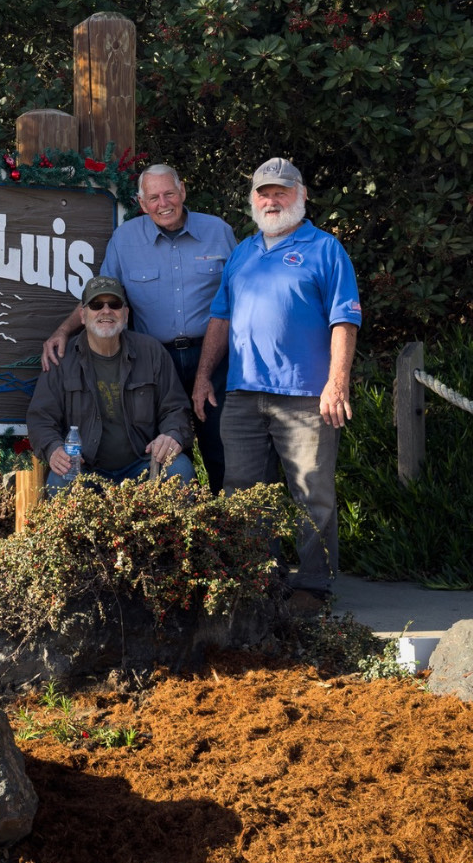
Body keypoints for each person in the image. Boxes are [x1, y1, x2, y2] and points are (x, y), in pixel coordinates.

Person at [191, 157, 361, 614]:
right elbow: (221, 317)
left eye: (281, 192)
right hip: (244, 394)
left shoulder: (325, 249)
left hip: (307, 395)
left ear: (301, 196)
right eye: (264, 193)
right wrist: (204, 375)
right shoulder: (243, 252)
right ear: (253, 200)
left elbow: (344, 319)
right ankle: (257, 578)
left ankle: (313, 587)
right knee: (242, 491)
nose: (272, 200)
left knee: (312, 491)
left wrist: (337, 384)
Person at [41, 163, 235, 488]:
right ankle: (171, 531)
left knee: (222, 450)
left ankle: (227, 530)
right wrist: (64, 330)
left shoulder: (219, 232)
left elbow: (241, 296)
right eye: (154, 197)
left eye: (169, 193)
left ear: (183, 191)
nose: (164, 203)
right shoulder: (125, 239)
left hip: (213, 357)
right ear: (142, 204)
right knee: (169, 454)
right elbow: (103, 295)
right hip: (154, 360)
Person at [27, 275, 195, 493]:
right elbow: (41, 417)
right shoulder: (62, 360)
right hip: (84, 468)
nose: (106, 311)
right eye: (96, 305)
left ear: (125, 315)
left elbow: (175, 407)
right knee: (59, 483)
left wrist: (171, 434)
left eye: (114, 304)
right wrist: (53, 448)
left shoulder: (152, 352)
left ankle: (166, 528)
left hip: (143, 465)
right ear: (83, 316)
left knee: (180, 469)